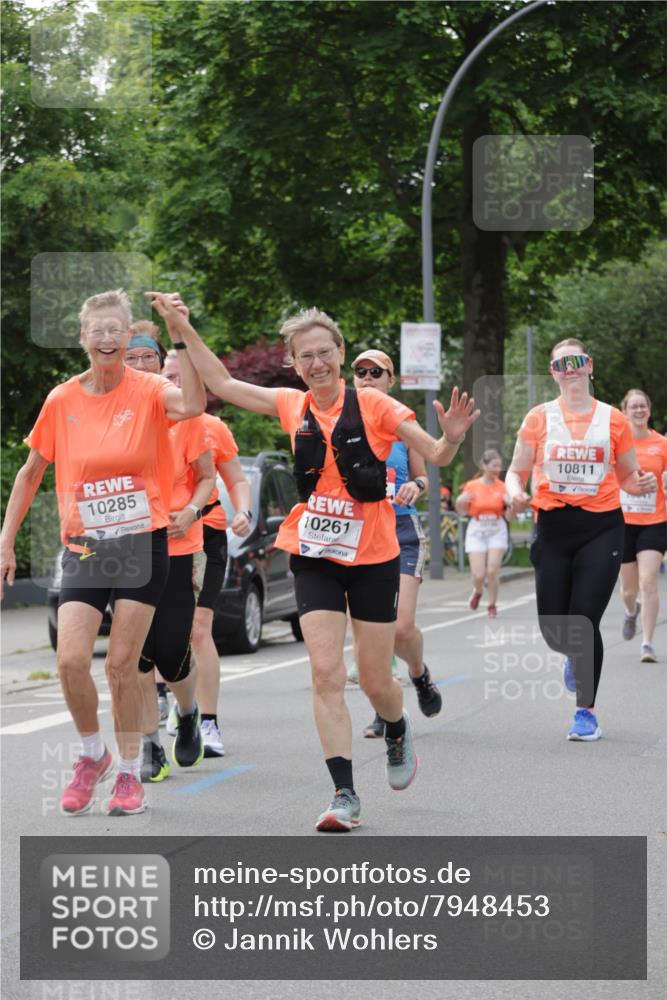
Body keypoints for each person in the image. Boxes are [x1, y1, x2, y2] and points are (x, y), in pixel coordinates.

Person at [149, 298, 479, 832]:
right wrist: (179, 326)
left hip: (373, 555)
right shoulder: (291, 404)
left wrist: (455, 435)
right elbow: (223, 384)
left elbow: (437, 455)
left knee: (375, 680)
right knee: (326, 673)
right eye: (306, 357)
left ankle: (396, 727)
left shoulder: (376, 406)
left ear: (341, 354)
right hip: (313, 553)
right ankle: (343, 794)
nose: (317, 364)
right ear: (294, 363)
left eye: (325, 353)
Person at [0, 289, 205, 816]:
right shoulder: (62, 399)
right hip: (87, 546)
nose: (110, 338)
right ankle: (93, 756)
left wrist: (179, 332)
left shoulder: (151, 388)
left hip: (143, 540)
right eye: (100, 330)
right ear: (83, 339)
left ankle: (131, 775)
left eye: (118, 329)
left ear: (127, 336)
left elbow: (196, 405)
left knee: (120, 665)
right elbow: (30, 473)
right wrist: (5, 541)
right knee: (70, 661)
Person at [506, 339, 657, 741]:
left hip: (602, 526)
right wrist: (514, 492)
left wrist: (639, 482)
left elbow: (628, 475)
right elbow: (515, 471)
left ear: (589, 365)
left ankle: (585, 712)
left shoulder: (613, 420)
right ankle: (572, 654)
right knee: (555, 627)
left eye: (576, 361)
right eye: (560, 364)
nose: (569, 369)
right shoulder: (538, 418)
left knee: (585, 619)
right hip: (553, 528)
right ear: (553, 372)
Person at [123, 339, 215, 783]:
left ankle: (189, 711)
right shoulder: (114, 417)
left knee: (172, 649)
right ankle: (150, 744)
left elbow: (208, 477)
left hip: (179, 544)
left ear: (161, 365)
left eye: (148, 358)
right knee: (137, 654)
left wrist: (192, 510)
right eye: (131, 358)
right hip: (128, 547)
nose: (140, 365)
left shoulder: (185, 417)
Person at [159, 355, 252, 759]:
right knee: (162, 635)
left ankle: (208, 722)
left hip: (207, 534)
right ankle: (175, 701)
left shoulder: (212, 428)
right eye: (170, 376)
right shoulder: (148, 423)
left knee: (199, 628)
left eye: (184, 376)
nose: (176, 382)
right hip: (155, 537)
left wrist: (244, 511)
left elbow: (236, 480)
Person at [350, 350, 443, 740]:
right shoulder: (342, 426)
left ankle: (419, 675)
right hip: (358, 539)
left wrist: (414, 486)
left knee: (401, 628)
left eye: (376, 372)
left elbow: (425, 479)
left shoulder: (406, 427)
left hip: (401, 533)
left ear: (392, 380)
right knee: (372, 632)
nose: (367, 377)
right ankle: (384, 710)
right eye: (360, 371)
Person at [618, 389, 667, 662]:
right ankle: (630, 611)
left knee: (649, 581)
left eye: (643, 406)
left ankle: (647, 643)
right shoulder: (617, 445)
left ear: (649, 410)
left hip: (655, 521)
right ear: (624, 410)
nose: (638, 410)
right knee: (628, 589)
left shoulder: (662, 444)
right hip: (622, 522)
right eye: (633, 406)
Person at [455, 448, 512, 618]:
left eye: (499, 466)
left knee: (493, 570)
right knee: (478, 574)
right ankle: (478, 591)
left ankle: (492, 604)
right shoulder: (472, 486)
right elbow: (462, 512)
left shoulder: (503, 487)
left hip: (496, 528)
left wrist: (512, 504)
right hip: (477, 528)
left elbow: (509, 515)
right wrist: (460, 501)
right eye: (494, 465)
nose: (497, 469)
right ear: (484, 466)